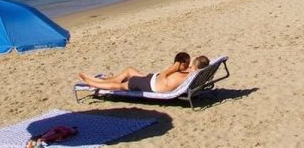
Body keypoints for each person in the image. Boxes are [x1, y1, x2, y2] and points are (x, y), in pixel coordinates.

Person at [78, 52, 209, 94]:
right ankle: (108, 79)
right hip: (151, 79)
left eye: (191, 66)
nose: (188, 67)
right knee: (129, 70)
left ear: (195, 68)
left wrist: (174, 67)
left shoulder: (182, 77)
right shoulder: (193, 75)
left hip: (150, 84)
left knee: (119, 86)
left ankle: (94, 83)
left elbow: (162, 79)